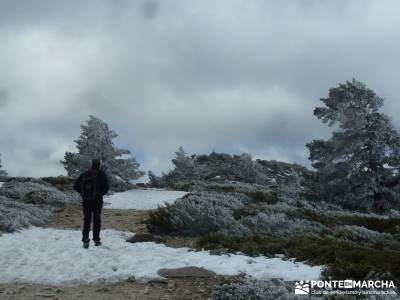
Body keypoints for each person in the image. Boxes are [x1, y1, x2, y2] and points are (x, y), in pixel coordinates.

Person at [74, 159, 109, 249]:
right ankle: (96, 240)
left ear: (92, 164)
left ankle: (85, 240)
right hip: (97, 201)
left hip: (86, 201)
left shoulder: (84, 174)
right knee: (97, 220)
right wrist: (100, 194)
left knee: (87, 220)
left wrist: (83, 194)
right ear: (99, 165)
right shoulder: (101, 174)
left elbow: (75, 186)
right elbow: (106, 187)